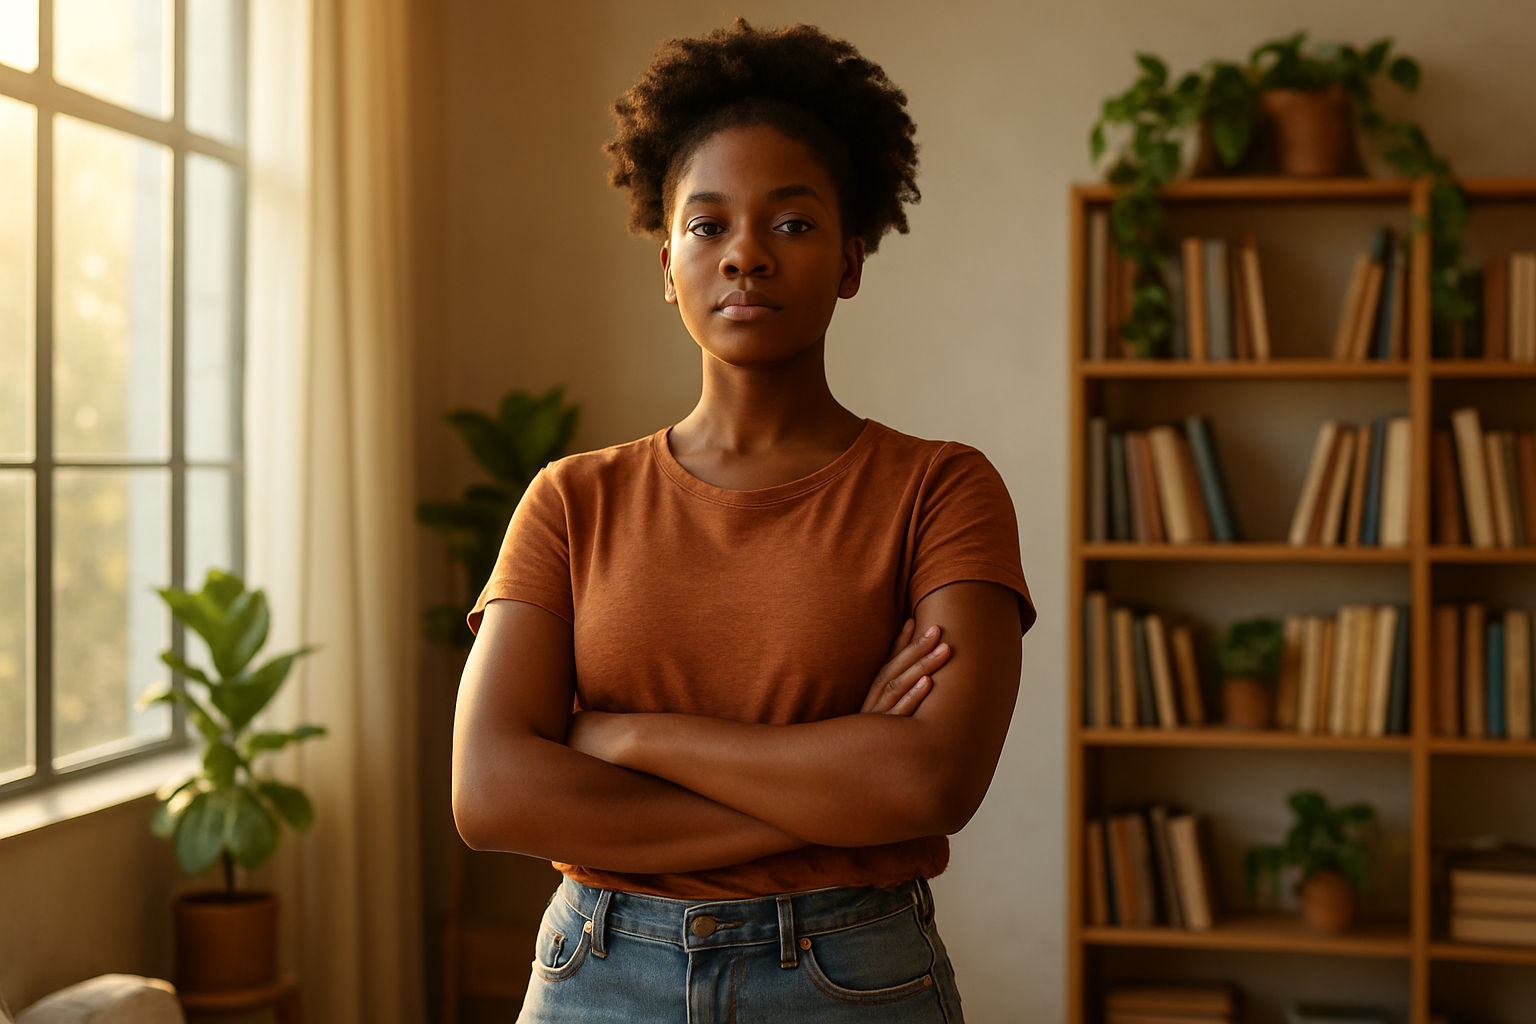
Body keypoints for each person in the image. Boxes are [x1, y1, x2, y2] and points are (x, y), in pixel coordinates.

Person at [452, 19, 1036, 1023]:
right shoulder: (570, 499)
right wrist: (836, 779)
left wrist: (626, 735)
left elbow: (928, 783)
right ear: (666, 263)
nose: (747, 257)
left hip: (851, 977)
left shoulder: (941, 490)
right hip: (598, 973)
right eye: (708, 226)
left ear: (851, 259)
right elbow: (494, 793)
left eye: (793, 224)